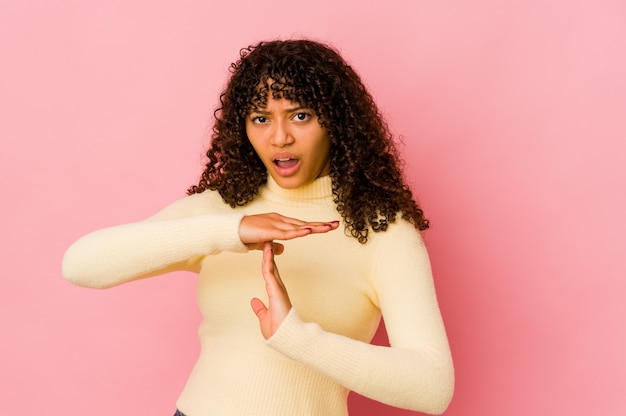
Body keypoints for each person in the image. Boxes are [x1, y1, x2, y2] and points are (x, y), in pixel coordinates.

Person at [62, 39, 454, 416]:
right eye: (261, 118)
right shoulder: (223, 210)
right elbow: (81, 265)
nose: (279, 137)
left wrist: (296, 338)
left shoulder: (383, 232)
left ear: (335, 122)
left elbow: (432, 387)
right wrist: (230, 231)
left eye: (300, 115)